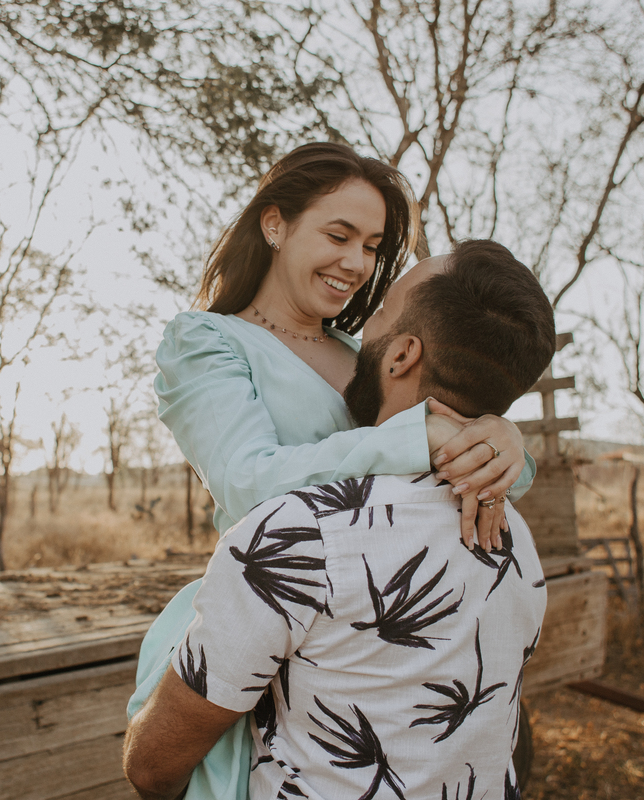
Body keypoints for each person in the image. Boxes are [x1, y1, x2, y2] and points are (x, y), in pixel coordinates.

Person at [128, 142, 537, 800]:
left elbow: (475, 472)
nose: (356, 263)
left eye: (373, 246)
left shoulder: (368, 348)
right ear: (275, 223)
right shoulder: (206, 342)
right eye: (338, 234)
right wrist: (418, 438)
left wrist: (506, 440)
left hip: (392, 622)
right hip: (266, 609)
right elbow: (248, 481)